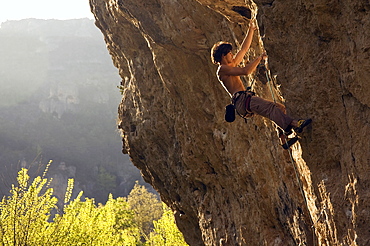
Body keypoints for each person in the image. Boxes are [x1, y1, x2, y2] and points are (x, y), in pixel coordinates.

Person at [211, 19, 311, 149]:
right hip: (243, 100)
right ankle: (296, 124)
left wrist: (251, 30)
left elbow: (243, 49)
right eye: (229, 53)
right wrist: (259, 58)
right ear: (223, 56)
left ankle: (283, 138)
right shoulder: (222, 69)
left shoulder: (229, 65)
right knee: (271, 109)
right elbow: (246, 71)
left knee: (279, 108)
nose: (232, 54)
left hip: (244, 101)